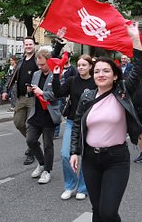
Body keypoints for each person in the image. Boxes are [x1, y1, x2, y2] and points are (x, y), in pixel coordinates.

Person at [70, 22, 142, 222]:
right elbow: (77, 124)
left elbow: (138, 68)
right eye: (97, 72)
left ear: (114, 76)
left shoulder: (122, 91)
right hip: (90, 159)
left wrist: (134, 37)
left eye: (105, 71)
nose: (100, 74)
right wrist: (74, 152)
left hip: (116, 159)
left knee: (109, 212)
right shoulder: (87, 97)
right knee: (97, 210)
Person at [2, 30, 65, 165]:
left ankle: (31, 150)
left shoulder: (38, 60)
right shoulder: (20, 61)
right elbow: (12, 77)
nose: (28, 46)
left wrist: (58, 42)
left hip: (35, 98)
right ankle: (34, 143)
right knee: (18, 123)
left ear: (34, 45)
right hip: (21, 96)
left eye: (31, 44)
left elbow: (52, 57)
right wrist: (5, 90)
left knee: (30, 126)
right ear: (24, 45)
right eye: (26, 44)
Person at [52, 54, 96, 200]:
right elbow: (58, 93)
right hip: (73, 122)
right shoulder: (72, 80)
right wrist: (56, 75)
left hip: (91, 124)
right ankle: (70, 186)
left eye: (84, 65)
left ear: (90, 66)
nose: (81, 67)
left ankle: (83, 188)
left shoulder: (96, 81)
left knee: (86, 156)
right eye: (79, 65)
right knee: (66, 154)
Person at [26, 48, 62, 184]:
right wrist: (30, 91)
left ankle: (47, 170)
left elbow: (57, 94)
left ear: (49, 62)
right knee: (30, 140)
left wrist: (42, 93)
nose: (40, 67)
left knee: (48, 145)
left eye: (42, 65)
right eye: (38, 64)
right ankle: (41, 163)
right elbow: (32, 93)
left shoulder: (56, 74)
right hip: (36, 114)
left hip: (49, 115)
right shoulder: (36, 74)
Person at [53, 52, 77, 139]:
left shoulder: (73, 69)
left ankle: (69, 130)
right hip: (58, 92)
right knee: (56, 112)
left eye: (66, 58)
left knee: (63, 113)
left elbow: (75, 82)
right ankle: (55, 132)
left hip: (66, 95)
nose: (64, 59)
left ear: (69, 58)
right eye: (62, 58)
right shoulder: (59, 67)